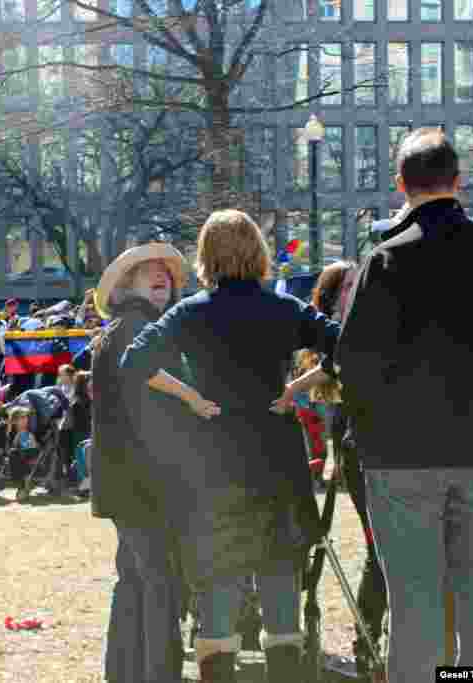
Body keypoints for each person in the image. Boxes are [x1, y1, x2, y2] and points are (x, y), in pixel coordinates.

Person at [336, 129, 473, 680]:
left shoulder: (385, 260)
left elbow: (353, 362)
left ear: (401, 185)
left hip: (400, 455)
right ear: (458, 182)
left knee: (415, 606)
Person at [119, 217, 339, 683]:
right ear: (257, 251)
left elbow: (134, 361)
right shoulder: (284, 307)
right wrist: (298, 386)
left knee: (217, 601)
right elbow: (348, 346)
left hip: (214, 466)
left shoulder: (190, 312)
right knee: (282, 596)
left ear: (206, 255)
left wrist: (191, 397)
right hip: (277, 463)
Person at [91, 243, 206, 683]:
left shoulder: (132, 326)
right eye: (148, 271)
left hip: (131, 484)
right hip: (146, 483)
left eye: (166, 272)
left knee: (136, 582)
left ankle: (126, 673)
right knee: (159, 586)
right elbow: (154, 414)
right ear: (126, 284)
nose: (162, 277)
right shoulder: (138, 327)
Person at [294, 261, 388, 674]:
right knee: (378, 552)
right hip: (358, 449)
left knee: (391, 556)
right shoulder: (335, 334)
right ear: (332, 297)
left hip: (395, 446)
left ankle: (381, 647)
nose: (359, 289)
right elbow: (327, 371)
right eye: (349, 284)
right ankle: (368, 646)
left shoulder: (383, 317)